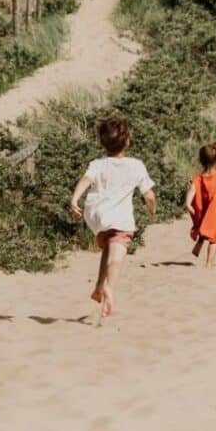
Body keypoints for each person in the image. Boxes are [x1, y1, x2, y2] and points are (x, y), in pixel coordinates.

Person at [69, 116, 156, 318]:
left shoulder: (97, 164)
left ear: (102, 142)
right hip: (119, 218)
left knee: (108, 247)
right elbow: (149, 195)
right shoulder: (135, 165)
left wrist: (74, 200)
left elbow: (85, 180)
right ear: (127, 141)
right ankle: (110, 287)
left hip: (97, 216)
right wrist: (152, 209)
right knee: (117, 254)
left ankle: (99, 286)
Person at [186, 142, 216, 268]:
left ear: (200, 160)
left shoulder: (197, 178)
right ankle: (208, 264)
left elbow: (189, 198)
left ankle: (200, 242)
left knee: (204, 225)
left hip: (203, 211)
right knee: (214, 239)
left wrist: (193, 210)